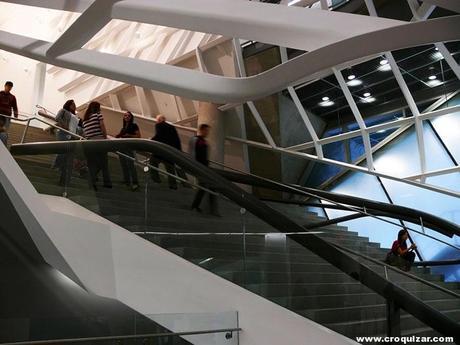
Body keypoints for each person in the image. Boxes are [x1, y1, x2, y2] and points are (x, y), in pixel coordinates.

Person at [189, 124, 219, 216]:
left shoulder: (204, 141)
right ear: (201, 130)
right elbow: (193, 154)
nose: (207, 132)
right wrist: (194, 166)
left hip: (204, 168)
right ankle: (196, 206)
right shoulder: (196, 140)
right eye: (206, 130)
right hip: (199, 167)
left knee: (205, 186)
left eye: (208, 131)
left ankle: (197, 206)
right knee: (204, 186)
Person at [150, 115, 186, 189]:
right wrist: (179, 151)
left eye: (157, 120)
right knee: (170, 169)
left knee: (153, 163)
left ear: (159, 120)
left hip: (161, 151)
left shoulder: (159, 125)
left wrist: (151, 140)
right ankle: (173, 185)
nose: (156, 121)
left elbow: (158, 136)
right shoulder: (172, 127)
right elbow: (177, 140)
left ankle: (156, 180)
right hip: (170, 151)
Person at [82, 101, 112, 190]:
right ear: (96, 108)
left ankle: (92, 182)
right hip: (99, 141)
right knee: (103, 163)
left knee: (92, 164)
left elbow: (85, 133)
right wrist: (105, 138)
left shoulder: (85, 120)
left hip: (89, 143)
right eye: (99, 107)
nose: (100, 109)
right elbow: (102, 127)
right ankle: (107, 182)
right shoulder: (98, 115)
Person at [54, 100, 79, 186]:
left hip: (72, 136)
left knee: (68, 157)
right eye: (73, 104)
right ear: (69, 105)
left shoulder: (75, 115)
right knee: (62, 151)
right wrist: (64, 126)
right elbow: (57, 118)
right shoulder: (63, 111)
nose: (75, 106)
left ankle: (64, 178)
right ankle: (57, 165)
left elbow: (76, 127)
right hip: (63, 133)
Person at [116, 111, 140, 191]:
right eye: (125, 115)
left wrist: (129, 135)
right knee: (123, 165)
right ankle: (126, 180)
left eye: (128, 116)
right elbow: (119, 135)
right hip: (121, 147)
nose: (126, 117)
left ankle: (135, 183)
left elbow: (138, 136)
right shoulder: (123, 128)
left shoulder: (134, 125)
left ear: (131, 117)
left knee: (130, 165)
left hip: (129, 148)